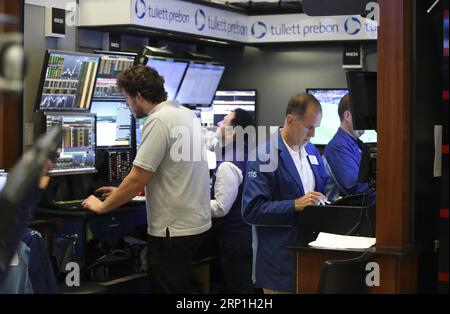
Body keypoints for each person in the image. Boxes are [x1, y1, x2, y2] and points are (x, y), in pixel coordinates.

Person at [81, 65, 211, 294]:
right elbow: (174, 171)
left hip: (172, 230)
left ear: (138, 96)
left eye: (127, 99)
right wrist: (123, 191)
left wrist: (102, 206)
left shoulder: (158, 121)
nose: (127, 105)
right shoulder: (185, 114)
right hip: (195, 224)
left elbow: (137, 178)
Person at [242, 92, 329, 293]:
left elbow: (321, 189)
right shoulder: (265, 156)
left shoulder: (312, 151)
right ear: (290, 120)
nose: (312, 135)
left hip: (310, 256)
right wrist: (295, 204)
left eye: (315, 128)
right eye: (308, 127)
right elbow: (251, 210)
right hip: (280, 264)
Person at [210, 109, 255, 294]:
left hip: (234, 238)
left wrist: (192, 203)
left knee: (238, 290)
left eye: (224, 122)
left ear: (233, 134)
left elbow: (221, 208)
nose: (219, 124)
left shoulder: (229, 164)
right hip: (247, 235)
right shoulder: (249, 155)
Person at [323, 94, 376, 201]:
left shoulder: (356, 143)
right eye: (363, 117)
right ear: (347, 116)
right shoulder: (338, 147)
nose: (367, 122)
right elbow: (355, 190)